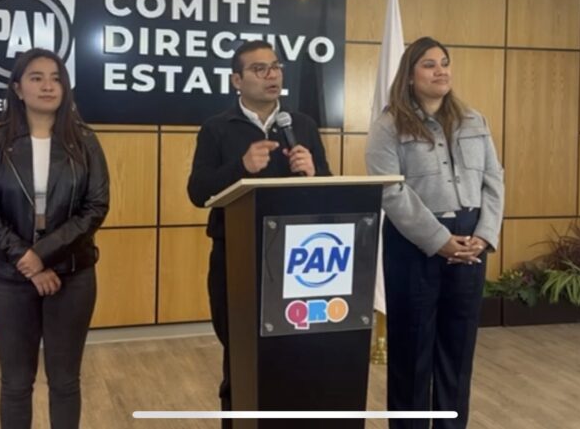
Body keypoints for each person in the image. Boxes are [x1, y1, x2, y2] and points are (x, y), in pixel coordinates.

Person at [187, 40, 332, 428]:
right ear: (237, 80)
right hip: (237, 260)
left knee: (293, 360)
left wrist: (314, 172)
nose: (272, 75)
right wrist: (241, 166)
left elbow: (329, 192)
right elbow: (198, 192)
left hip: (297, 262)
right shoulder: (217, 128)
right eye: (259, 69)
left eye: (276, 66)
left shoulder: (301, 125)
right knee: (240, 359)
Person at [365, 36, 504, 429]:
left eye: (444, 62)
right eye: (429, 64)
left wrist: (485, 235)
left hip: (470, 242)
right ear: (409, 76)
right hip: (415, 244)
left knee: (457, 354)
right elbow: (390, 191)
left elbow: (494, 180)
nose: (440, 70)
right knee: (412, 354)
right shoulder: (388, 126)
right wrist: (439, 241)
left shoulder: (474, 121)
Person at [0, 48, 109, 429]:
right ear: (18, 88)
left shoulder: (85, 141)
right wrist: (27, 261)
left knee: (65, 382)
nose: (48, 86)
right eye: (36, 78)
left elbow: (95, 207)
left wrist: (42, 254)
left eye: (56, 78)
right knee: (16, 384)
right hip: (9, 278)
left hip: (72, 276)